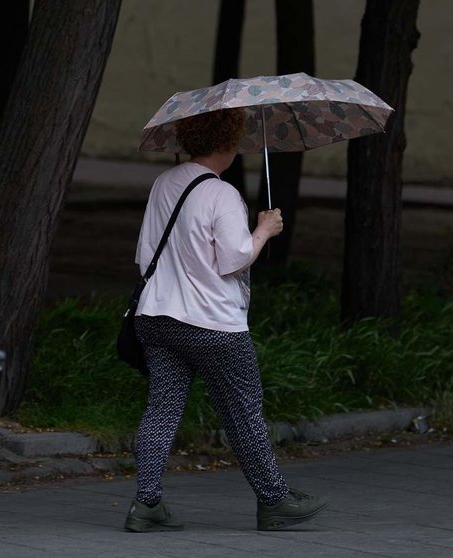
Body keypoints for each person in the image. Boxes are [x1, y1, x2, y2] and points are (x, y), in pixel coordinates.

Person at [125, 108, 327, 532]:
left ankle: (146, 504)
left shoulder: (164, 183)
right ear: (227, 145)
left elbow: (145, 254)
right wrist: (265, 230)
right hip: (213, 325)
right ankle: (273, 501)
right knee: (243, 413)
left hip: (157, 318)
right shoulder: (222, 194)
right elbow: (233, 260)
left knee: (161, 409)